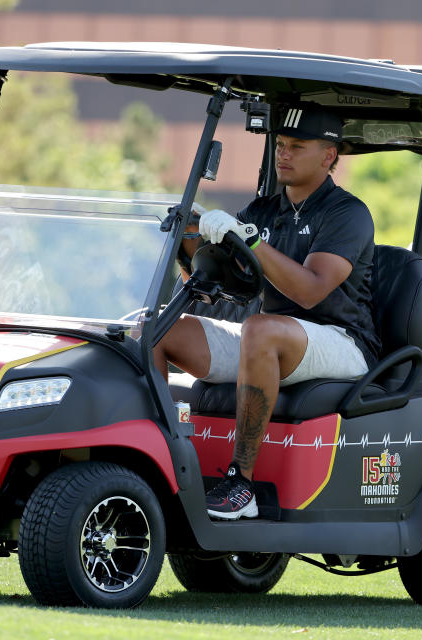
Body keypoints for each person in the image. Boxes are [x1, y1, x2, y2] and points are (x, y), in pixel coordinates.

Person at [154, 105, 380, 520]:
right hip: (272, 340)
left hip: (342, 341)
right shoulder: (263, 211)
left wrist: (253, 244)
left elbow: (311, 291)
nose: (284, 154)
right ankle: (158, 463)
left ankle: (242, 483)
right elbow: (218, 279)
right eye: (280, 145)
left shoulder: (348, 213)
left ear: (329, 156)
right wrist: (191, 235)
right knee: (159, 328)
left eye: (297, 146)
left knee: (260, 329)